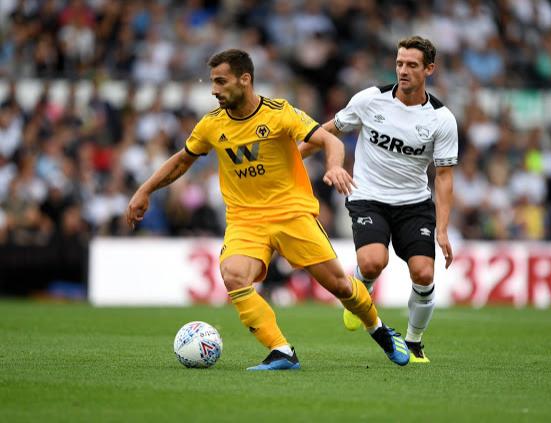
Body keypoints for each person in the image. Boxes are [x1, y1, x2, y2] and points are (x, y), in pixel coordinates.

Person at [125, 49, 410, 370]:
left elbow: (330, 141)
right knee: (234, 275)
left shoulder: (279, 113)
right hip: (245, 221)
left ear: (245, 79)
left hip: (291, 214)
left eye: (221, 81)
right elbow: (182, 160)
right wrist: (145, 190)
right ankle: (281, 351)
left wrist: (333, 167)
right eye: (212, 82)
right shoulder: (210, 125)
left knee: (340, 286)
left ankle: (380, 330)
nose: (214, 90)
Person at [300, 36, 458, 363]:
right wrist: (291, 158)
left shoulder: (441, 120)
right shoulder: (371, 100)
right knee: (373, 262)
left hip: (414, 204)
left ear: (429, 69)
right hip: (368, 196)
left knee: (424, 273)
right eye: (400, 63)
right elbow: (328, 131)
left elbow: (443, 177)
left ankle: (414, 343)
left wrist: (442, 229)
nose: (403, 70)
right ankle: (360, 292)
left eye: (412, 65)